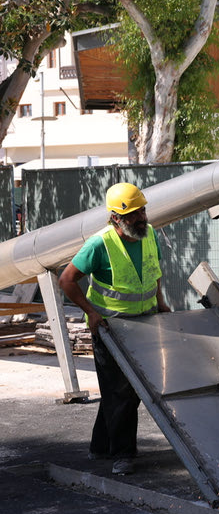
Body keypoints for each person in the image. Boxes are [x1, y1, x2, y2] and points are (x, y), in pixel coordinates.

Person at [59, 182, 171, 476]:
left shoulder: (149, 236)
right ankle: (123, 454)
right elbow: (67, 280)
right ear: (115, 218)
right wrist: (91, 314)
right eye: (133, 214)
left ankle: (100, 446)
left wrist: (160, 302)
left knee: (121, 391)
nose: (141, 218)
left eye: (142, 210)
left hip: (144, 323)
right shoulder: (99, 244)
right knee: (121, 391)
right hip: (110, 329)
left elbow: (154, 272)